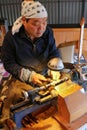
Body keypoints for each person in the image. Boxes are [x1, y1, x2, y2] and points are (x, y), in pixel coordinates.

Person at [0, 0, 63, 128]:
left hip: (46, 74)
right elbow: (9, 64)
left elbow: (54, 52)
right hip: (22, 77)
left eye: (44, 22)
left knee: (60, 96)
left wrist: (55, 67)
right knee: (14, 103)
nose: (41, 28)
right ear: (24, 21)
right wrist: (29, 75)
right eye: (36, 24)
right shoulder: (11, 38)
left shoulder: (48, 32)